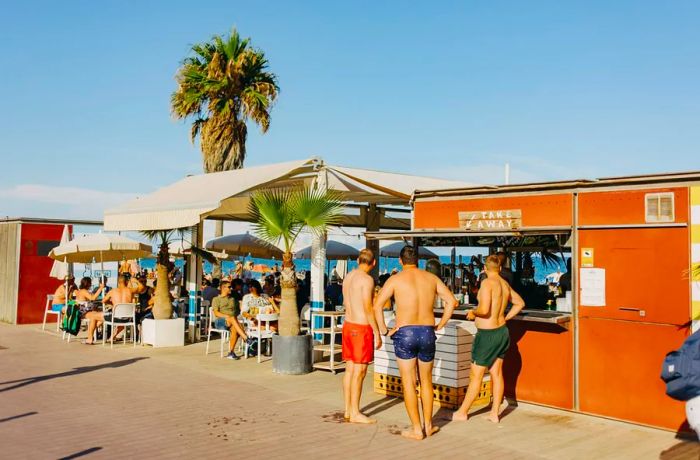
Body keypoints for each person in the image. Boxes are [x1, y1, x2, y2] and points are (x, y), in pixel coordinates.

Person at [373, 245, 457, 440]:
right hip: (427, 332)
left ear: (401, 261)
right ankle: (429, 425)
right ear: (417, 260)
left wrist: (385, 330)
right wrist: (440, 324)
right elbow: (451, 302)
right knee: (426, 381)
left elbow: (377, 305)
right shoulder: (431, 278)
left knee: (409, 383)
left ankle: (417, 429)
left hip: (405, 332)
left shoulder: (395, 280)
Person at [452, 254, 526, 424]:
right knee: (497, 373)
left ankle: (462, 412)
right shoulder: (504, 284)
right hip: (502, 332)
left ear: (484, 269)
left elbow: (484, 309)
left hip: (487, 335)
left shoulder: (487, 283)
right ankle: (494, 414)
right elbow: (520, 303)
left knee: (475, 376)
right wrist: (505, 318)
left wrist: (473, 312)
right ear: (499, 269)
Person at [341, 249, 381, 424]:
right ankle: (356, 412)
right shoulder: (367, 280)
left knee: (349, 370)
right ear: (373, 263)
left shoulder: (348, 277)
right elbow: (368, 308)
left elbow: (345, 302)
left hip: (348, 325)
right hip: (361, 327)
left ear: (358, 260)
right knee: (360, 371)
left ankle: (348, 409)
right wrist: (377, 332)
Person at [83, 274, 137, 345]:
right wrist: (134, 281)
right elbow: (135, 298)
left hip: (115, 318)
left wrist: (112, 302)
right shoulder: (131, 291)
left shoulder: (113, 291)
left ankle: (89, 339)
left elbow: (103, 301)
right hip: (128, 318)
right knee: (121, 319)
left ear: (118, 282)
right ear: (126, 282)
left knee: (94, 316)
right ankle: (111, 337)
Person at [212, 281, 248, 359]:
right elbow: (216, 313)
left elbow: (238, 311)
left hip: (232, 321)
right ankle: (245, 338)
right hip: (220, 321)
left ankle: (231, 352)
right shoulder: (216, 299)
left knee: (235, 328)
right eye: (229, 287)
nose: (231, 288)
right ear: (223, 288)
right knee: (232, 318)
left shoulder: (233, 299)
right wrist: (227, 316)